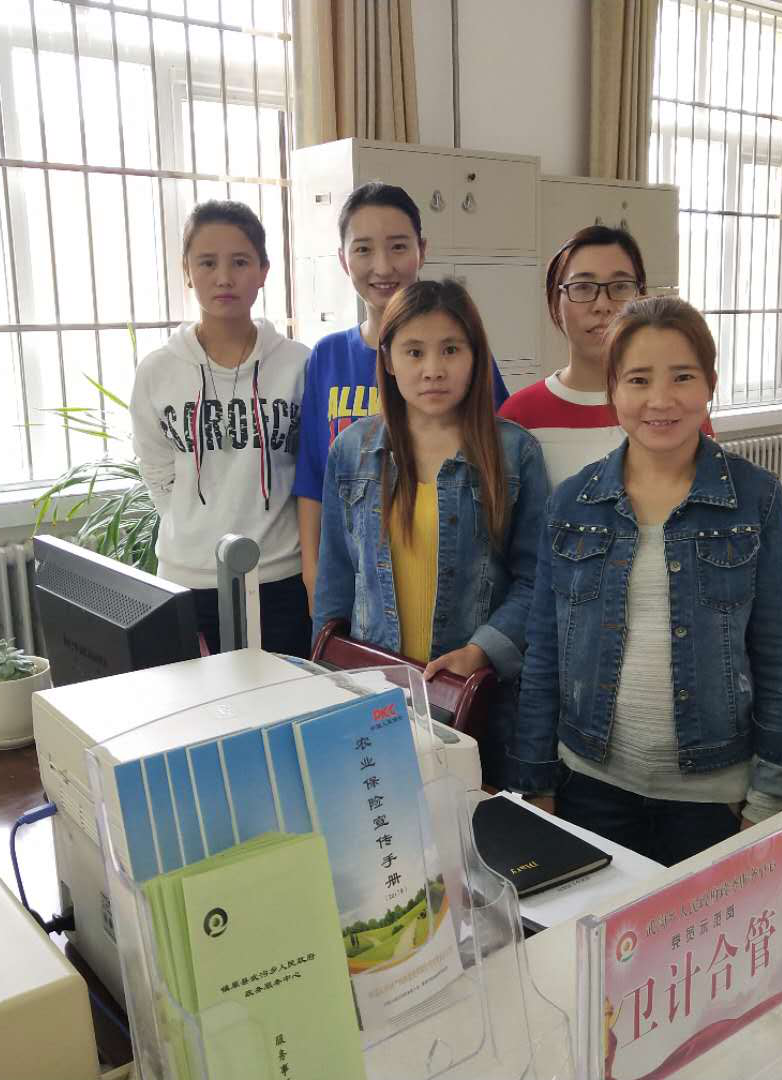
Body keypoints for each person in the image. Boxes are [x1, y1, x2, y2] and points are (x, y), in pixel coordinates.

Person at [507, 296, 782, 866]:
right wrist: (536, 781)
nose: (661, 399)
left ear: (710, 384)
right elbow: (544, 656)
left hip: (712, 796)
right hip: (590, 785)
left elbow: (780, 654)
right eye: (638, 379)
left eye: (682, 376)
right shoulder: (572, 502)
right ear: (613, 390)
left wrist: (769, 799)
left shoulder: (754, 498)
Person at [312, 279, 549, 781]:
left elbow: (537, 580)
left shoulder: (515, 453)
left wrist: (481, 650)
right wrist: (324, 684)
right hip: (374, 697)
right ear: (388, 359)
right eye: (414, 351)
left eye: (451, 350)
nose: (433, 369)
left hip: (475, 700)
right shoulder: (351, 451)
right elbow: (335, 580)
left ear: (475, 357)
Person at [295, 182, 510, 608]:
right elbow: (313, 475)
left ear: (421, 250)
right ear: (343, 259)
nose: (382, 266)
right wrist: (312, 571)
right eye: (363, 249)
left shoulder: (459, 358)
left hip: (453, 583)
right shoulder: (328, 356)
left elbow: (501, 460)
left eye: (398, 247)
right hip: (357, 588)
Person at [131, 200, 312, 657]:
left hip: (280, 577)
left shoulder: (299, 364)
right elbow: (156, 469)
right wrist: (194, 524)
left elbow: (309, 469)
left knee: (283, 697)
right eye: (207, 263)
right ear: (187, 272)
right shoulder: (157, 371)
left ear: (264, 270)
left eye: (240, 262)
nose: (224, 278)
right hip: (188, 579)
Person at [499, 225, 712, 485]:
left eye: (620, 286)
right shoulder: (520, 416)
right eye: (583, 287)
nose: (603, 305)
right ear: (555, 303)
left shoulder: (675, 410)